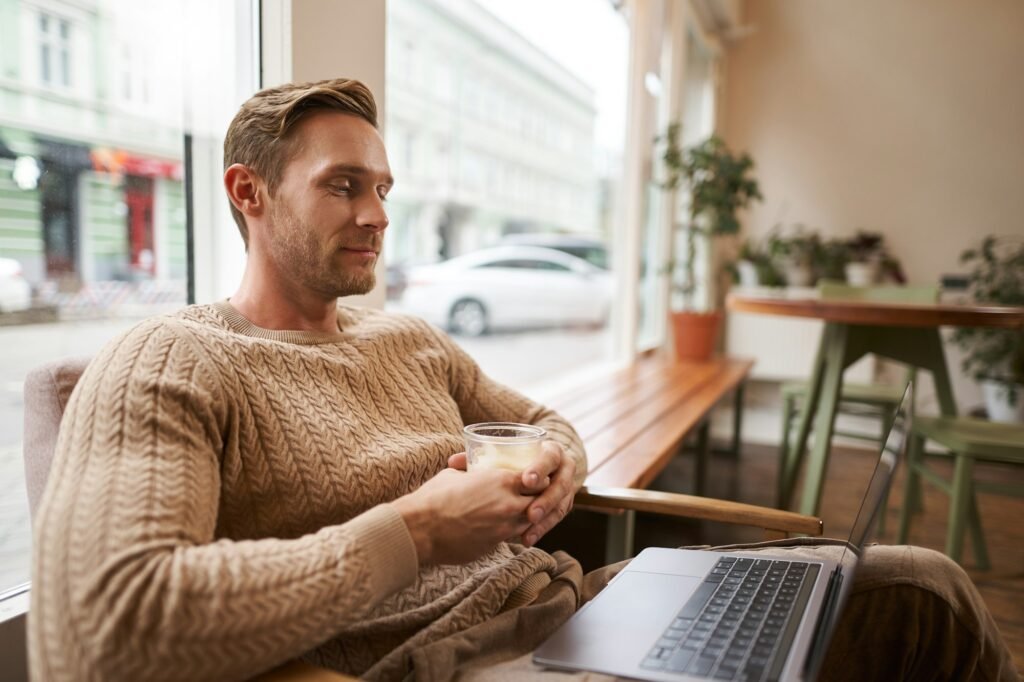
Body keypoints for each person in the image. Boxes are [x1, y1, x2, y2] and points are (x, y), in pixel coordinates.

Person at [29, 79, 1018, 682]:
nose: (376, 212)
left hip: (573, 608)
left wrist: (554, 458)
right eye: (342, 184)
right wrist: (418, 530)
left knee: (917, 584)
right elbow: (110, 627)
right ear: (247, 193)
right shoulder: (173, 362)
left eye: (381, 187)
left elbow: (544, 419)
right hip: (459, 664)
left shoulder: (407, 339)